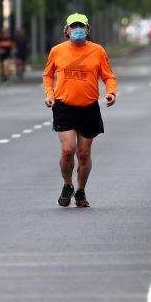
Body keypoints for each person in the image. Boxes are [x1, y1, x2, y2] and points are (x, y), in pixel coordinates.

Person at [43, 13, 117, 208]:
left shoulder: (97, 51)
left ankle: (80, 190)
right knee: (68, 150)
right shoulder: (57, 51)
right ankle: (67, 185)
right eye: (73, 26)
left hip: (89, 108)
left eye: (81, 26)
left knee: (83, 153)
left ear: (87, 29)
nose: (77, 29)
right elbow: (48, 75)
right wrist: (50, 94)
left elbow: (108, 76)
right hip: (64, 107)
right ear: (66, 30)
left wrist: (111, 93)